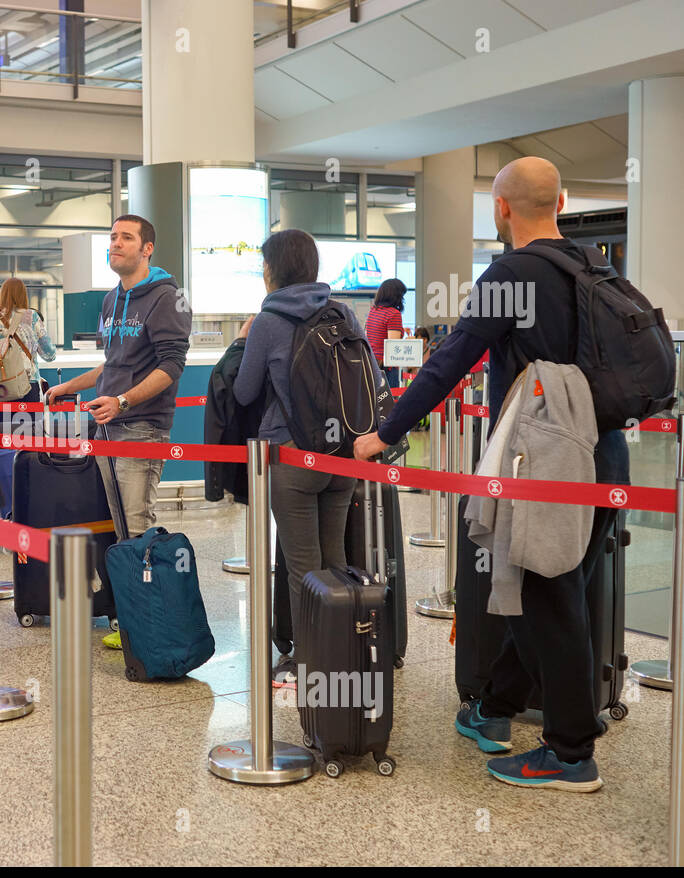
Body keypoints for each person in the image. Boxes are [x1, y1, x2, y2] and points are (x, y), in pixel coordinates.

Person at [354, 156, 626, 793]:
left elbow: (448, 362)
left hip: (544, 461)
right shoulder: (598, 266)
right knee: (540, 596)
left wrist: (385, 434)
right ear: (559, 201)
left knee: (544, 602)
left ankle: (571, 753)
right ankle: (496, 710)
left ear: (501, 209)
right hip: (605, 455)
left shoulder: (511, 274)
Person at [233, 229, 378, 687]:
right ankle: (343, 649)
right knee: (335, 557)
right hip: (342, 455)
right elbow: (370, 377)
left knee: (302, 565)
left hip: (293, 454)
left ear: (273, 270)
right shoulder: (343, 313)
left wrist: (241, 344)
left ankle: (306, 660)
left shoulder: (268, 319)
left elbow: (244, 391)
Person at [45, 215, 190, 649]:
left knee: (139, 525)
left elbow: (172, 366)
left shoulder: (168, 297)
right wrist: (71, 386)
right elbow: (113, 364)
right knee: (123, 526)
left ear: (148, 248)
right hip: (107, 428)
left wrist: (124, 401)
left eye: (126, 238)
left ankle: (151, 625)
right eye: (112, 237)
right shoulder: (111, 300)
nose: (116, 244)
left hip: (141, 428)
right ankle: (132, 619)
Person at [0, 277, 57, 518]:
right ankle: (30, 509)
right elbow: (49, 354)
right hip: (27, 391)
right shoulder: (31, 318)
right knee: (29, 449)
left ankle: (7, 511)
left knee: (2, 451)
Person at [366, 278, 408, 389]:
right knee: (390, 403)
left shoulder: (373, 311)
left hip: (372, 365)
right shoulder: (393, 314)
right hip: (387, 369)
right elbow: (393, 349)